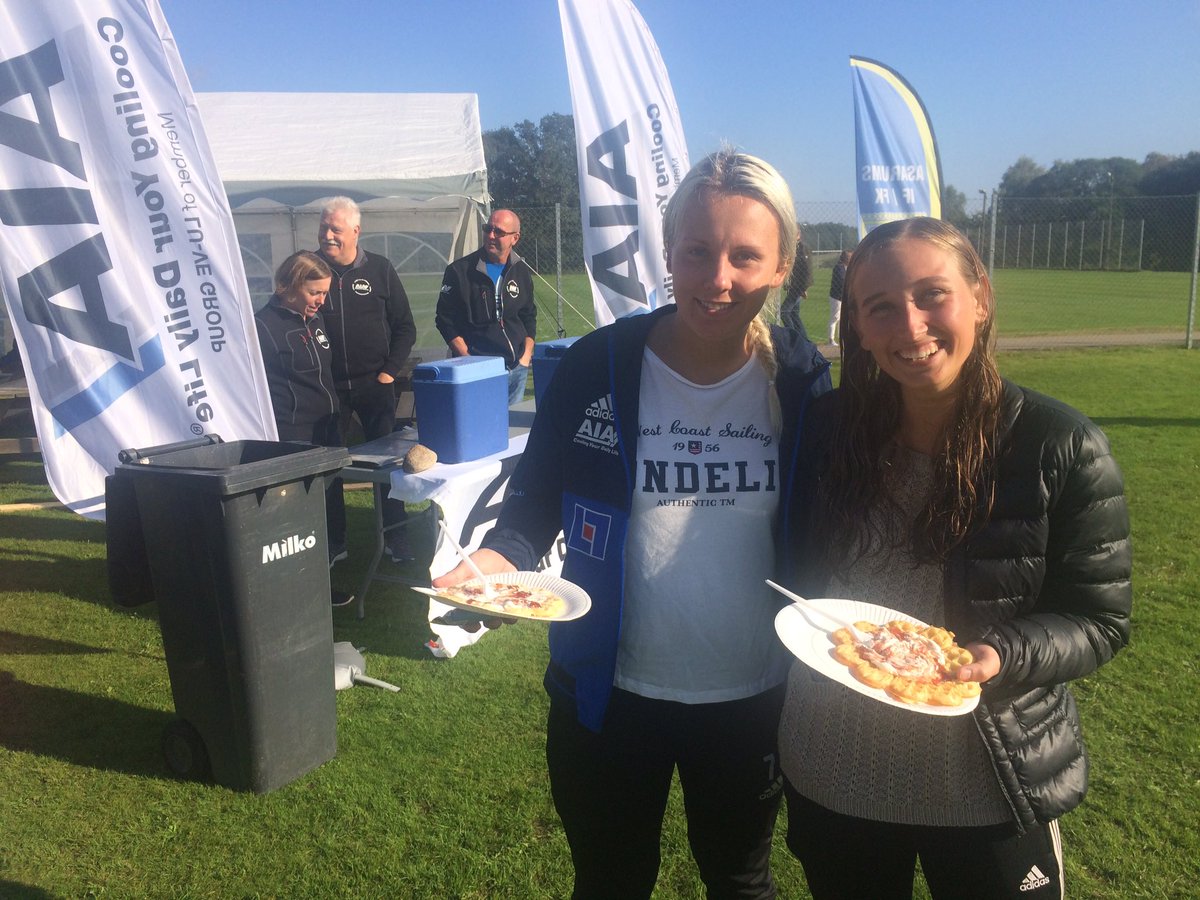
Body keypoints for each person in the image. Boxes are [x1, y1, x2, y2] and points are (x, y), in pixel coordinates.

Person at [434, 149, 831, 899]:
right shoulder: (600, 364)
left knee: (741, 884)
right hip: (606, 695)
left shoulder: (802, 382)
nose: (718, 278)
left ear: (782, 266)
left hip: (752, 698)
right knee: (611, 883)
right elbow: (529, 511)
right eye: (697, 252)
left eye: (746, 256)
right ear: (669, 255)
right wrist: (488, 565)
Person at [777, 217, 1132, 899]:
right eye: (880, 306)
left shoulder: (1058, 446)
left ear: (981, 297)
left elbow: (1100, 618)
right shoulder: (827, 430)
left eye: (932, 294)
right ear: (858, 323)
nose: (909, 326)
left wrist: (1001, 652)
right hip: (833, 768)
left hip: (983, 786)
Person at [316, 197, 418, 563]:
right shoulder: (309, 269)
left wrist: (388, 372)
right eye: (324, 227)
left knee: (387, 467)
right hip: (328, 391)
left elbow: (406, 328)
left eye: (335, 229)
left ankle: (395, 536)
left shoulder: (380, 269)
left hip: (375, 386)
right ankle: (335, 543)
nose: (327, 235)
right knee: (327, 468)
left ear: (356, 232)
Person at [254, 251, 354, 607]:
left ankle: (320, 578)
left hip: (327, 431)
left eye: (325, 293)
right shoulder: (262, 327)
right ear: (291, 287)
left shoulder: (316, 320)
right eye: (316, 293)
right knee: (301, 518)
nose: (322, 301)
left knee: (326, 509)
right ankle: (303, 591)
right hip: (294, 436)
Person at [435, 208, 537, 405]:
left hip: (516, 369)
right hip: (477, 370)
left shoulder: (520, 270)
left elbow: (528, 315)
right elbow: (444, 319)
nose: (490, 235)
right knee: (481, 428)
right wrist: (468, 358)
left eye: (498, 232)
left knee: (511, 431)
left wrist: (525, 356)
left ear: (514, 238)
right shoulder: (459, 271)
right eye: (487, 228)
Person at [779, 232, 812, 338]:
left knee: (784, 311)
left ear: (797, 235)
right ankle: (803, 339)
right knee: (794, 313)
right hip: (794, 286)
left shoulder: (801, 248)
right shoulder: (793, 248)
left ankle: (793, 337)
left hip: (797, 287)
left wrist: (804, 288)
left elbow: (806, 269)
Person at [826, 248, 850, 345]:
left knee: (841, 318)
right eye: (848, 258)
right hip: (837, 297)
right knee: (835, 318)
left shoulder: (845, 267)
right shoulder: (839, 268)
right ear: (845, 258)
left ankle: (841, 338)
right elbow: (841, 281)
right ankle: (831, 339)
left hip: (842, 297)